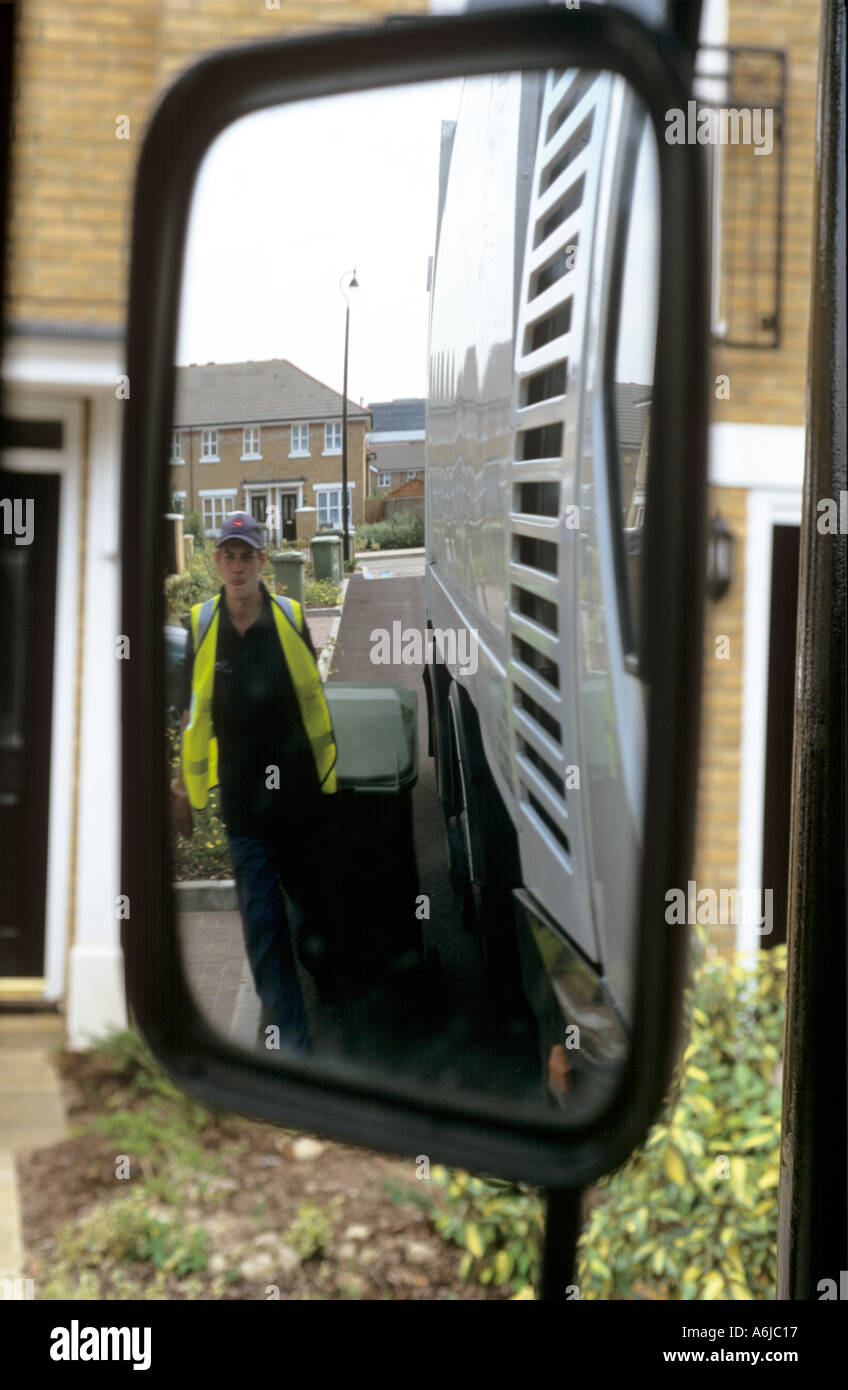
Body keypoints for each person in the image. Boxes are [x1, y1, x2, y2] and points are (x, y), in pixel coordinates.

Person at [170, 511, 337, 1055]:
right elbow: (193, 716)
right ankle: (293, 1052)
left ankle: (329, 976)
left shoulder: (289, 617)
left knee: (313, 919)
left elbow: (311, 698)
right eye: (229, 555)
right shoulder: (201, 624)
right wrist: (183, 787)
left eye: (248, 555)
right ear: (216, 562)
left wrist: (326, 778)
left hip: (300, 803)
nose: (238, 566)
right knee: (264, 926)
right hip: (244, 809)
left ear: (263, 562)